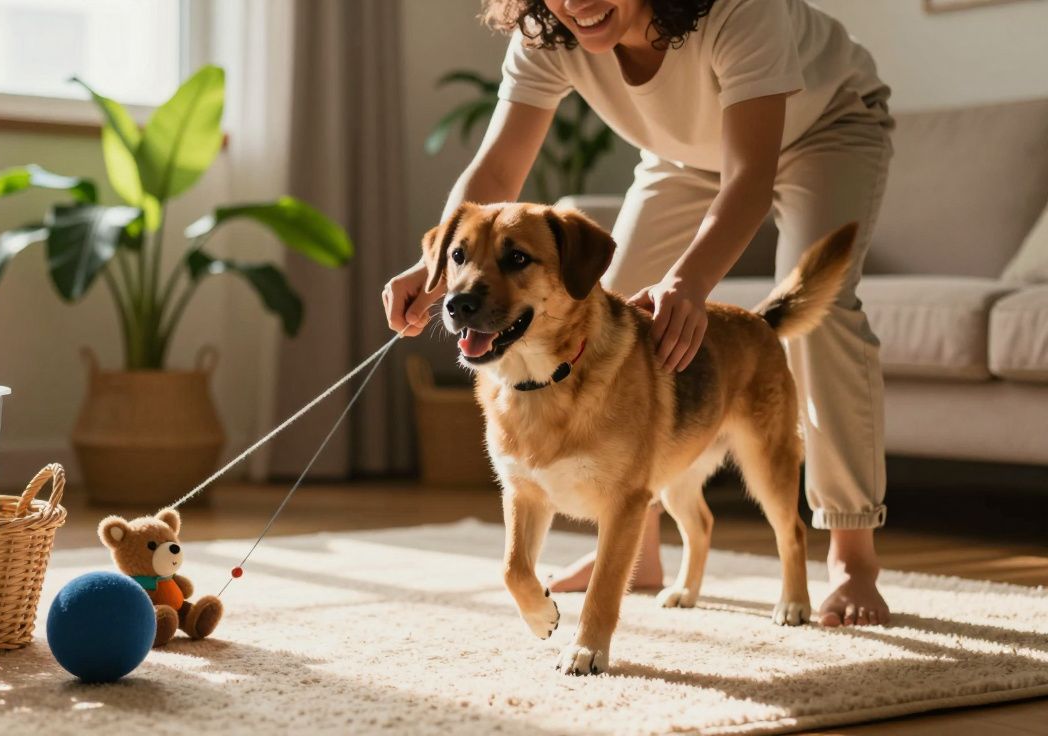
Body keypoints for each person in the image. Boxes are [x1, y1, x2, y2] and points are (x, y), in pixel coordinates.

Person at [383, 0, 893, 627]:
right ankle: (637, 550)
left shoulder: (739, 9)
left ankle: (852, 557)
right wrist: (432, 273)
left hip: (824, 129)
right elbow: (494, 172)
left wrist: (690, 281)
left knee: (829, 316)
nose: (578, 4)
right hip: (683, 159)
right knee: (598, 313)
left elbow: (748, 178)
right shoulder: (551, 30)